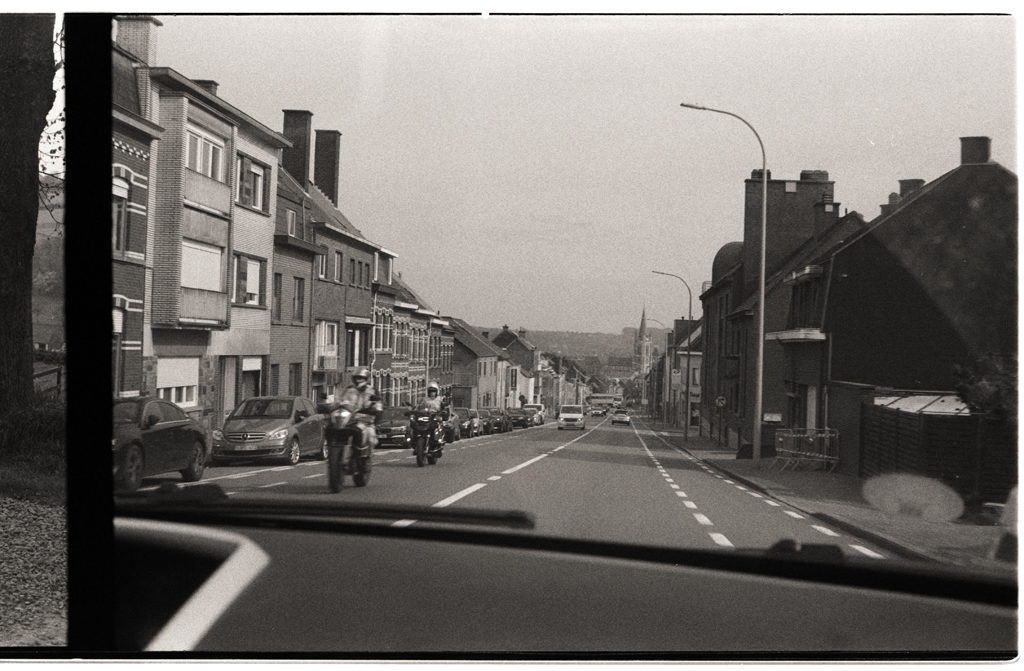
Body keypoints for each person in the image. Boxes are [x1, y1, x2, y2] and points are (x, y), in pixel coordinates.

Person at [325, 367, 383, 457]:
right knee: (330, 427)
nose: (358, 380)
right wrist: (331, 405)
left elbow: (378, 406)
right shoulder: (348, 390)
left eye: (360, 378)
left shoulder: (372, 391)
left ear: (365, 379)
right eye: (356, 378)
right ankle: (333, 448)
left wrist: (374, 408)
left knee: (370, 435)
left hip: (364, 420)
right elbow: (339, 400)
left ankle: (365, 458)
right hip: (350, 418)